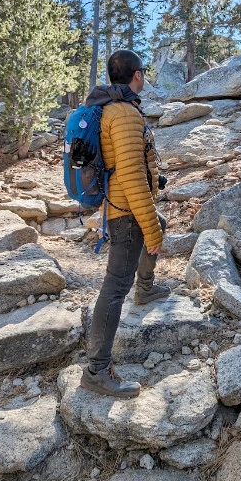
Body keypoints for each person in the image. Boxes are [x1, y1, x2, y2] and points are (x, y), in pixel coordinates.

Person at [81, 49, 169, 399]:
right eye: (143, 72)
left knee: (158, 220)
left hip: (119, 206)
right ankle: (97, 370)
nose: (143, 77)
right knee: (116, 287)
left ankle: (145, 287)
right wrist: (150, 229)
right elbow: (132, 176)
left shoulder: (111, 108)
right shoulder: (125, 115)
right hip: (126, 213)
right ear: (136, 75)